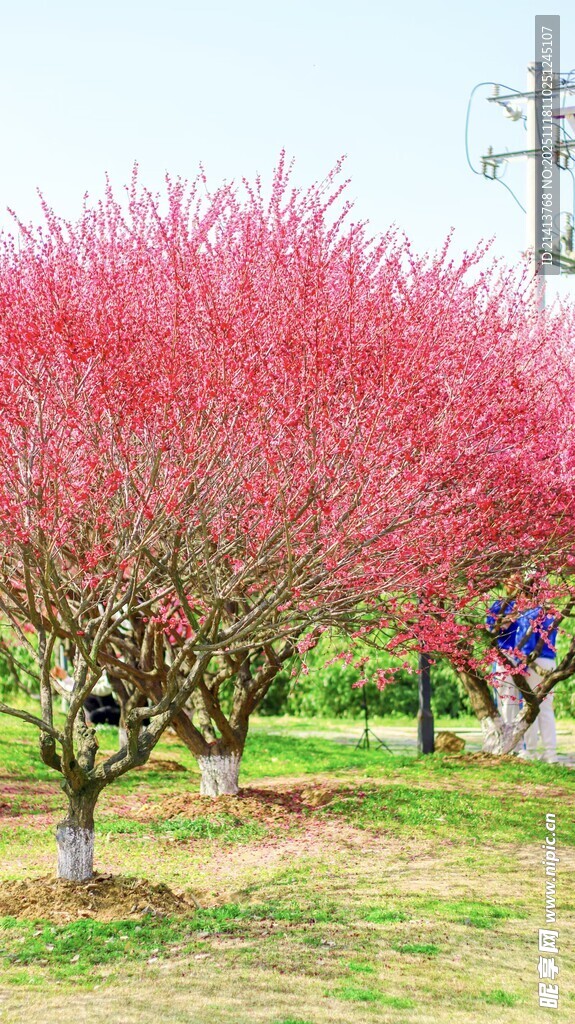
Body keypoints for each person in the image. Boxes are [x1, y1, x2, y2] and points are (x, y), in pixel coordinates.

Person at [514, 606, 558, 763]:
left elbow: (526, 643)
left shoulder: (529, 614)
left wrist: (521, 666)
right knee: (546, 709)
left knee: (530, 706)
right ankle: (550, 753)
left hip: (534, 663)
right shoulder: (551, 614)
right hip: (550, 661)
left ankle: (530, 750)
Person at [486, 585, 522, 751]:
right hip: (503, 654)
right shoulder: (498, 605)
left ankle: (518, 744)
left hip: (522, 655)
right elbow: (490, 628)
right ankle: (505, 740)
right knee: (504, 698)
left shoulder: (527, 605)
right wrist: (506, 619)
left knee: (519, 699)